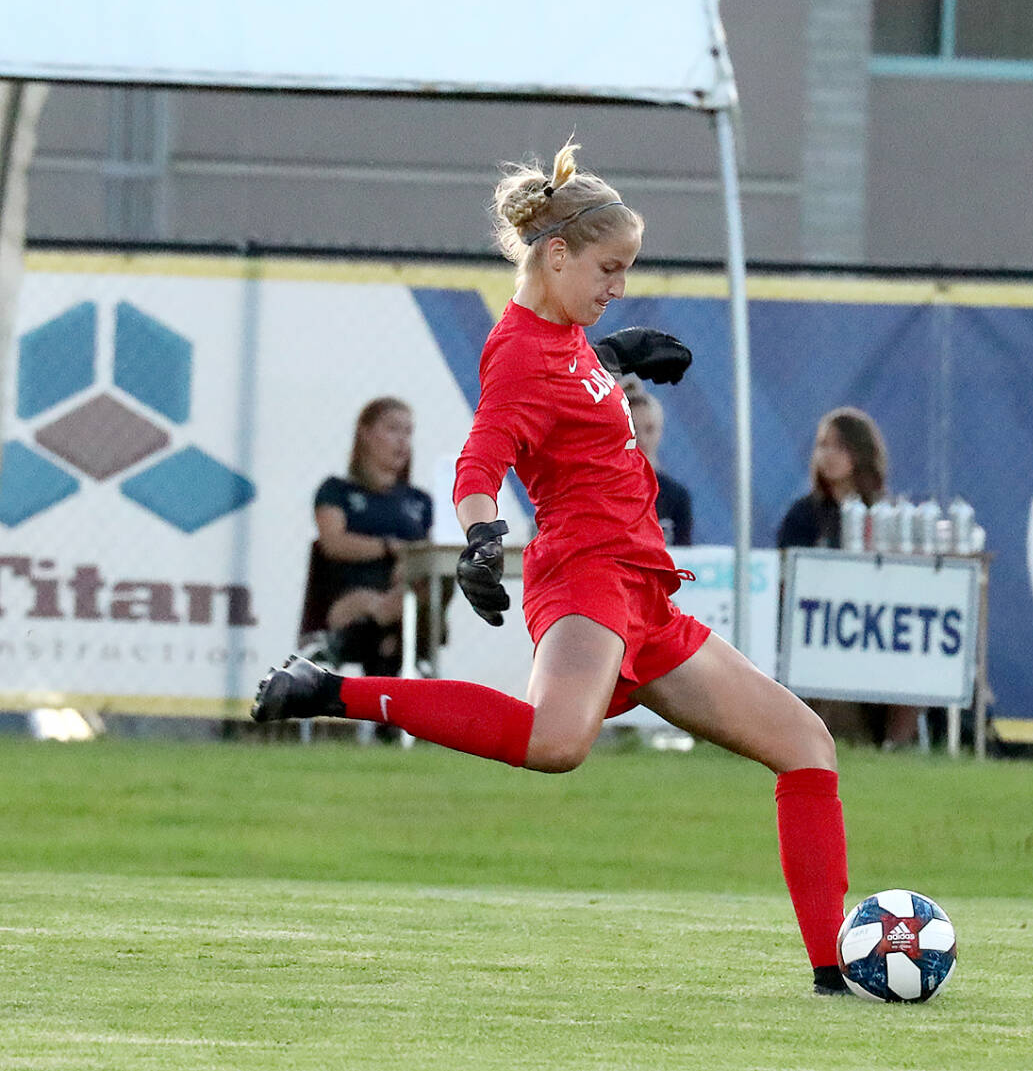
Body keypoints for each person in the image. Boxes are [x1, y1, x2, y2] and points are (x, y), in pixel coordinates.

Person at [253, 141, 850, 996]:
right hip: (587, 577)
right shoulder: (520, 350)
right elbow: (481, 458)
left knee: (806, 744)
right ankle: (329, 690)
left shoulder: (566, 337)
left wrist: (616, 358)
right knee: (557, 742)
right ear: (557, 255)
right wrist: (480, 536)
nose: (620, 287)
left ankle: (834, 974)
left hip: (644, 594)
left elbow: (568, 393)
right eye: (610, 269)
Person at [776, 407, 920, 750]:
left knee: (914, 655)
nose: (828, 455)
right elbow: (785, 580)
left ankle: (896, 746)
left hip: (879, 626)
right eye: (822, 445)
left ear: (860, 453)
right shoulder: (803, 515)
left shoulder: (885, 514)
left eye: (839, 447)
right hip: (822, 631)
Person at [306, 397, 433, 677]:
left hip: (404, 592)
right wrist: (389, 548)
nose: (402, 440)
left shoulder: (420, 501)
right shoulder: (336, 491)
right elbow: (333, 543)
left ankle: (385, 623)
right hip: (350, 596)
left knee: (421, 594)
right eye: (393, 429)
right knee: (388, 618)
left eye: (408, 432)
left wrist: (406, 565)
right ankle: (388, 628)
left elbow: (427, 555)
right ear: (365, 433)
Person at [624, 382, 693, 546]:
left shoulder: (676, 496)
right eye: (634, 429)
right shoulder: (604, 491)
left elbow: (684, 553)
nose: (641, 439)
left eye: (649, 429)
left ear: (659, 432)